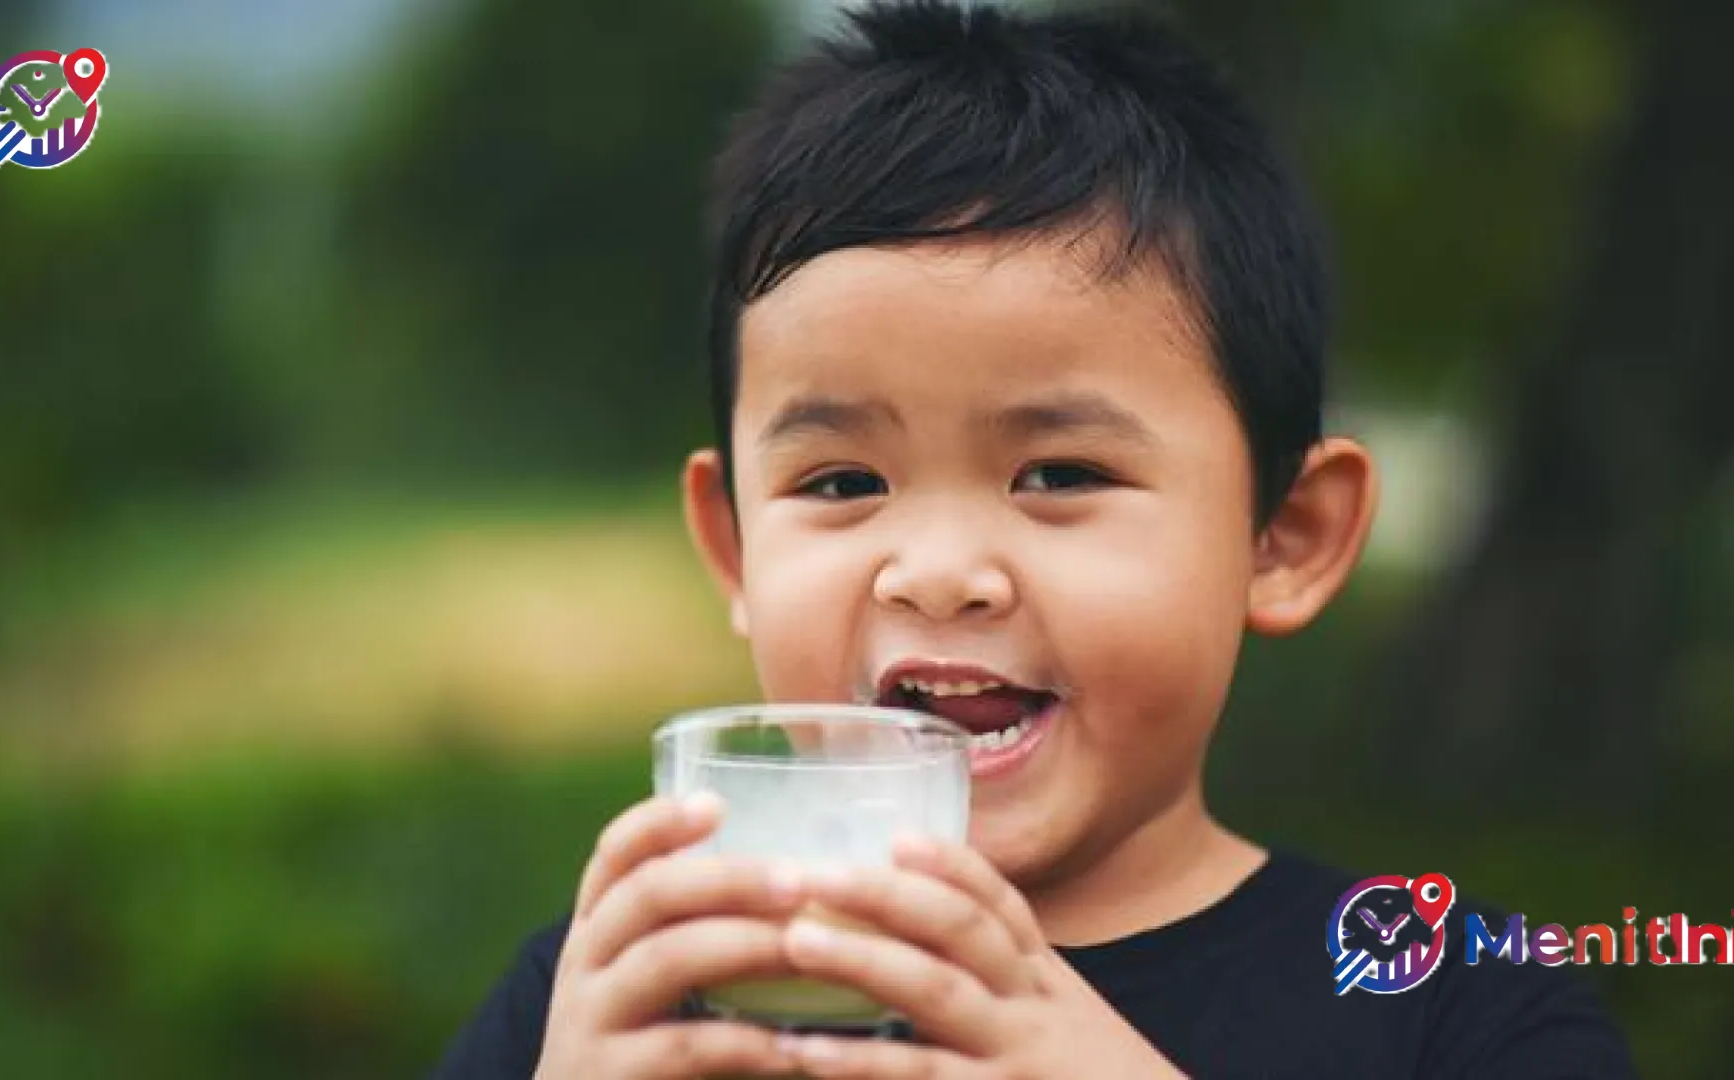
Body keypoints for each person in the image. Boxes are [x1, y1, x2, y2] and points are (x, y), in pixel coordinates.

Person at [433, 2, 1637, 1076]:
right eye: (845, 479)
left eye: (1059, 472)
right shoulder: (611, 1004)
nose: (941, 573)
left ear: (1284, 538)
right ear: (736, 549)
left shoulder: (1451, 1008)